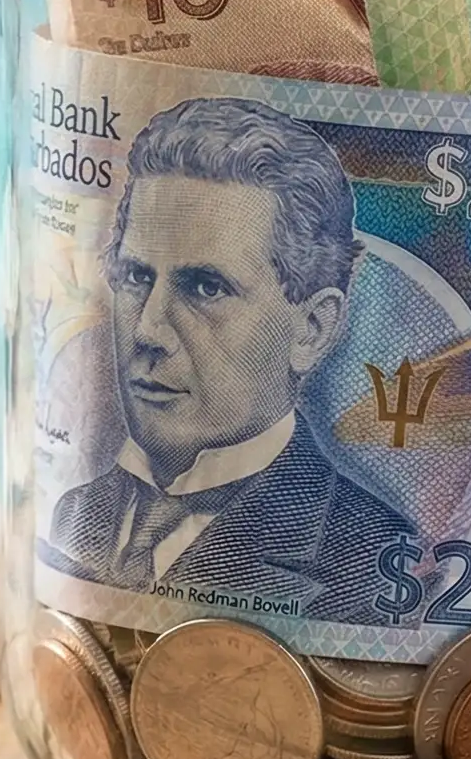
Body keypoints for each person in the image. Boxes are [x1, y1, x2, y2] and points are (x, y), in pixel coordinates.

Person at [40, 96, 413, 620]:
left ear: (311, 329)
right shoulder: (76, 511)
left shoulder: (372, 556)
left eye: (205, 287)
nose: (148, 329)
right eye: (136, 277)